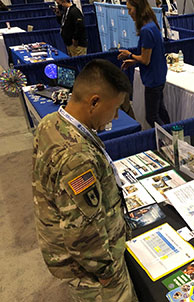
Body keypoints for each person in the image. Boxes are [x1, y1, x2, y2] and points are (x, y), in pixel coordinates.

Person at [32, 59, 138, 302]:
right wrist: (107, 273)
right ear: (94, 102)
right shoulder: (76, 158)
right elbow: (82, 235)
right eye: (115, 108)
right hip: (93, 273)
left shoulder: (51, 122)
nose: (115, 115)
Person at [118, 0, 170, 128]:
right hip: (158, 76)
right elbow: (148, 57)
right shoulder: (152, 25)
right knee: (161, 112)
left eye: (130, 9)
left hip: (153, 79)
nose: (129, 13)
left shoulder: (146, 30)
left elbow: (146, 60)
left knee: (151, 116)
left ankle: (169, 140)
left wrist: (129, 55)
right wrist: (134, 60)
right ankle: (173, 136)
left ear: (138, 9)